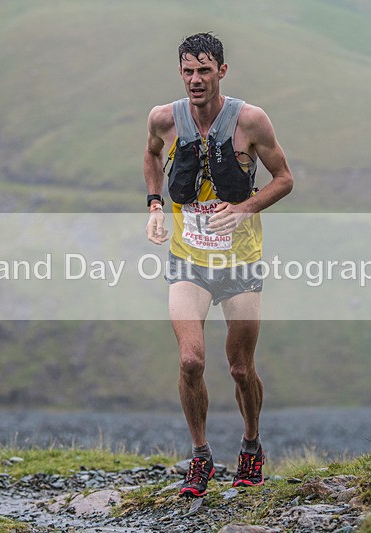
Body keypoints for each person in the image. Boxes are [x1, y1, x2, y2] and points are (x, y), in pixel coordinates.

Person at [143, 32, 293, 497]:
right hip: (189, 260)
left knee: (240, 369)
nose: (195, 80)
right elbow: (151, 156)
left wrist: (245, 208)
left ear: (221, 72)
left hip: (240, 262)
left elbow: (284, 179)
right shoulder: (165, 118)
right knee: (190, 360)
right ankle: (201, 455)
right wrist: (153, 205)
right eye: (188, 71)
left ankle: (251, 446)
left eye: (204, 70)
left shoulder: (250, 120)